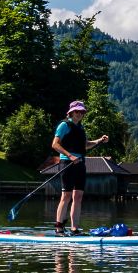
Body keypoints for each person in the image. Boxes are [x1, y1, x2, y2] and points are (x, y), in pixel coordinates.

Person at [52, 100, 110, 235]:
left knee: (78, 196)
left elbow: (85, 145)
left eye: (82, 112)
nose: (80, 114)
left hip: (80, 164)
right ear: (71, 112)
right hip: (67, 163)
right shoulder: (64, 125)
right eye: (77, 111)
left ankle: (74, 228)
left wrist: (100, 140)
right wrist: (70, 156)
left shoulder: (81, 128)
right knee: (66, 195)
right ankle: (59, 227)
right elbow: (55, 145)